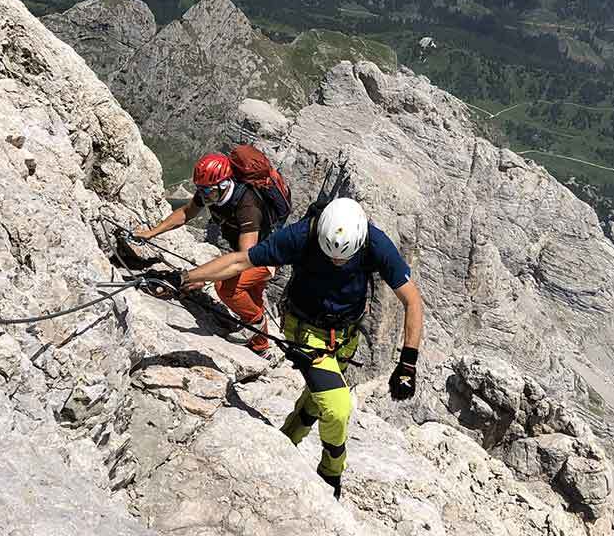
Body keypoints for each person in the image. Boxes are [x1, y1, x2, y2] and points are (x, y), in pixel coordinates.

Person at [171, 196, 424, 500]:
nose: (337, 262)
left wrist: (408, 362)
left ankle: (285, 442)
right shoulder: (302, 235)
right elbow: (241, 260)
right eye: (332, 256)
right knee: (338, 407)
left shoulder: (374, 243)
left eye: (344, 258)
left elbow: (411, 299)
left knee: (317, 400)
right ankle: (331, 472)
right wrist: (183, 277)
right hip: (304, 332)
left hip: (345, 337)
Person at [130, 151, 279, 354]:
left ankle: (257, 322)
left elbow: (245, 258)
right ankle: (261, 347)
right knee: (251, 297)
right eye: (201, 190)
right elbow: (185, 213)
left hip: (264, 255)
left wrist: (203, 277)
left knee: (226, 288)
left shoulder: (248, 206)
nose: (205, 197)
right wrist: (151, 233)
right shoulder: (210, 190)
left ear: (225, 184)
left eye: (209, 192)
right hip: (247, 250)